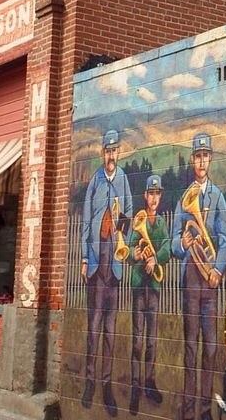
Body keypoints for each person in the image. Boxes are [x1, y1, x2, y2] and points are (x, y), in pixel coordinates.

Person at [171, 133, 226, 420]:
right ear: (192, 160)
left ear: (211, 159)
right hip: (191, 279)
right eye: (197, 156)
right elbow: (172, 242)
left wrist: (218, 268)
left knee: (210, 347)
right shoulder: (184, 200)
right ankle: (187, 408)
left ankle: (206, 410)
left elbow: (225, 239)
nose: (202, 161)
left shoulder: (218, 198)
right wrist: (182, 244)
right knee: (190, 347)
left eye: (206, 156)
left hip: (211, 280)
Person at [80, 129, 133, 416]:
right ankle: (89, 383)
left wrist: (120, 226)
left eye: (115, 151)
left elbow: (130, 212)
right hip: (97, 262)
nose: (111, 156)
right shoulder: (95, 182)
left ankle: (107, 386)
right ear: (102, 152)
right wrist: (85, 260)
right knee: (93, 327)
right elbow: (86, 221)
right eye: (107, 151)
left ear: (118, 152)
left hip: (115, 264)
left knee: (111, 330)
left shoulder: (122, 178)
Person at [127, 174, 170, 415]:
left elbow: (166, 247)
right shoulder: (139, 219)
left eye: (157, 194)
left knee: (152, 341)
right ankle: (135, 388)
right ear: (145, 196)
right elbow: (131, 248)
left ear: (160, 197)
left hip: (154, 288)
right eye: (150, 194)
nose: (154, 198)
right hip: (139, 286)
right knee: (137, 340)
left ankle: (149, 383)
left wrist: (155, 258)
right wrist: (139, 254)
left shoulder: (162, 223)